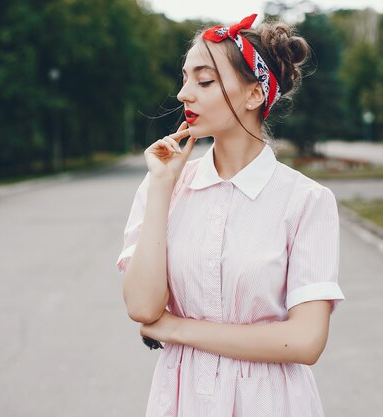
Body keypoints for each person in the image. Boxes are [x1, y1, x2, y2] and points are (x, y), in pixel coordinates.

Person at [116, 13, 345, 417]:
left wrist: (176, 328)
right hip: (181, 399)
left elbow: (306, 341)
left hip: (270, 402)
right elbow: (142, 307)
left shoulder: (306, 200)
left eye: (203, 81)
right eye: (185, 78)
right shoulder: (164, 186)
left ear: (254, 94)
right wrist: (161, 189)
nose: (185, 94)